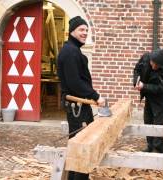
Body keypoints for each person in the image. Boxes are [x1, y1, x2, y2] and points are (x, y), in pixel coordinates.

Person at [57, 16, 105, 180]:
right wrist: (95, 96)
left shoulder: (73, 50)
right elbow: (74, 82)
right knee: (81, 149)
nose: (85, 33)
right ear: (72, 31)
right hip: (76, 108)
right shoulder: (70, 52)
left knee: (81, 147)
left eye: (86, 30)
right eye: (81, 30)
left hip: (80, 105)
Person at [133, 49, 163, 153]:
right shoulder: (146, 58)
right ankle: (150, 146)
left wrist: (144, 86)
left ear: (161, 63)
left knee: (158, 124)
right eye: (152, 63)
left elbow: (162, 89)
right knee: (148, 121)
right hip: (149, 96)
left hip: (162, 100)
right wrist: (136, 81)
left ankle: (159, 150)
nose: (152, 66)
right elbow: (137, 69)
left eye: (155, 65)